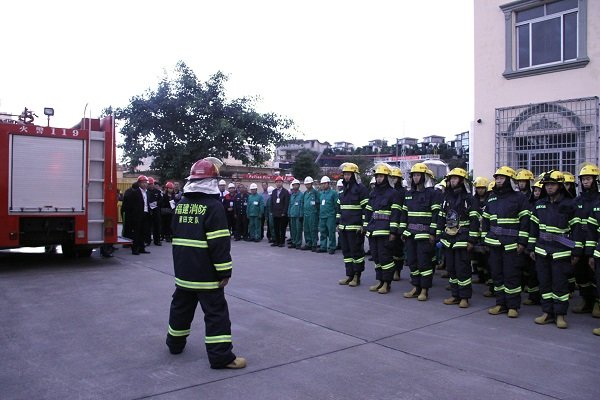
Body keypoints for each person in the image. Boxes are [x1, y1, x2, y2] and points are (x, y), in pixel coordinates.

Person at [165, 157, 246, 369]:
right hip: (206, 274)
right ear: (212, 182)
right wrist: (224, 272)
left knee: (180, 308)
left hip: (183, 271)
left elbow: (174, 233)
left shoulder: (181, 205)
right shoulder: (214, 207)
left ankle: (174, 344)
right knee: (216, 314)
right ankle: (221, 357)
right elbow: (219, 245)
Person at [529, 170, 580, 329]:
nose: (549, 187)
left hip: (561, 251)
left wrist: (576, 251)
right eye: (547, 185)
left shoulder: (569, 205)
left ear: (560, 186)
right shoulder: (540, 204)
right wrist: (531, 247)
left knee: (560, 285)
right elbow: (533, 228)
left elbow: (576, 230)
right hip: (542, 251)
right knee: (544, 283)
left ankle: (560, 315)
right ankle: (547, 313)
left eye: (552, 184)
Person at [481, 166, 530, 318]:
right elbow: (486, 221)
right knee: (497, 274)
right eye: (497, 178)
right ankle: (500, 304)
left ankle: (513, 306)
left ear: (509, 180)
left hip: (511, 244)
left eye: (501, 178)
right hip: (494, 244)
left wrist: (522, 242)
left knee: (512, 275)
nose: (498, 181)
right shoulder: (492, 198)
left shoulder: (519, 198)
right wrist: (485, 239)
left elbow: (525, 221)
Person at [438, 168, 480, 308]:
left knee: (463, 269)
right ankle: (455, 295)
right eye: (451, 179)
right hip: (448, 239)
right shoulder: (447, 198)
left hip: (463, 238)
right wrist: (440, 234)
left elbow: (475, 221)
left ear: (462, 181)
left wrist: (471, 240)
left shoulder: (469, 199)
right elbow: (441, 217)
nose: (453, 181)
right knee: (451, 269)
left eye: (456, 179)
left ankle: (464, 298)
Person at [400, 163, 439, 301]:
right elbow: (404, 214)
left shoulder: (432, 194)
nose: (416, 178)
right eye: (414, 175)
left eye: (418, 175)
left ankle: (424, 290)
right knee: (412, 262)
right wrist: (402, 231)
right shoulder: (409, 193)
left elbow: (436, 214)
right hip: (410, 234)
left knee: (424, 264)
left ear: (424, 177)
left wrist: (433, 233)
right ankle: (415, 287)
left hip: (424, 235)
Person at [364, 164, 400, 294]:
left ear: (386, 177)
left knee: (385, 258)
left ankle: (387, 283)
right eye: (377, 176)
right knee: (376, 258)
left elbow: (396, 214)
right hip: (373, 230)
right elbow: (368, 210)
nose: (379, 179)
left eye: (381, 176)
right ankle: (379, 281)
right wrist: (366, 225)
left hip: (385, 232)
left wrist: (393, 232)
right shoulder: (373, 193)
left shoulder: (393, 193)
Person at [572, 164, 600, 316]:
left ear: (595, 180)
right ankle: (586, 301)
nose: (585, 182)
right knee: (581, 274)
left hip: (595, 243)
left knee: (595, 275)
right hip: (579, 242)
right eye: (583, 179)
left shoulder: (599, 200)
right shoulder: (578, 200)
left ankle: (597, 303)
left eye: (588, 179)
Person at [337, 163, 369, 286]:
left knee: (357, 253)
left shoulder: (361, 189)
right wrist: (338, 223)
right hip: (344, 227)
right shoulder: (344, 190)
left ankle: (357, 276)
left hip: (355, 228)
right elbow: (339, 208)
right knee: (347, 253)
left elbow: (366, 209)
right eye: (345, 174)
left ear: (354, 175)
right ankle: (349, 275)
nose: (346, 177)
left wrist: (363, 225)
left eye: (349, 174)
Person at [471, 177, 493, 297]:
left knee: (488, 260)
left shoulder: (490, 201)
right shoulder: (474, 201)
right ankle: (480, 276)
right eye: (478, 188)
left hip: (486, 233)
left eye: (482, 188)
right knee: (477, 258)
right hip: (476, 233)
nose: (480, 190)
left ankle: (489, 281)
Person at [121, 175, 151, 255]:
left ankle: (142, 248)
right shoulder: (134, 192)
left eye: (146, 183)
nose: (145, 184)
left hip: (145, 213)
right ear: (139, 183)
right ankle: (135, 249)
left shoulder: (146, 192)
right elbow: (130, 206)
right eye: (143, 183)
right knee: (136, 233)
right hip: (137, 215)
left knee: (143, 232)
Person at [389, 167, 406, 281]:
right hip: (388, 223)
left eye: (395, 178)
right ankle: (390, 270)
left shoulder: (403, 192)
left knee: (397, 249)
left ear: (399, 179)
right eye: (392, 177)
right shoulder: (388, 191)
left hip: (399, 223)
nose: (393, 179)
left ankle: (397, 271)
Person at [317, 176, 339, 254]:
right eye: (322, 184)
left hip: (330, 216)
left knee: (331, 232)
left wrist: (337, 217)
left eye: (325, 183)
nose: (323, 185)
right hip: (322, 216)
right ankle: (323, 246)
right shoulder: (321, 194)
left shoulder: (333, 193)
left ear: (328, 184)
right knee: (322, 232)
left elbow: (337, 206)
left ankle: (332, 247)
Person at [270, 176, 290, 247]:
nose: (278, 183)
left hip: (282, 214)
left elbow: (286, 203)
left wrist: (284, 212)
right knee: (276, 228)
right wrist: (272, 211)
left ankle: (282, 242)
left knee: (282, 228)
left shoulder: (285, 192)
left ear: (282, 183)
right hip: (275, 213)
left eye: (280, 182)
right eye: (277, 182)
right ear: (275, 183)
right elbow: (272, 202)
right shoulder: (274, 191)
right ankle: (277, 241)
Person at [301, 177, 320, 251]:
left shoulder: (315, 193)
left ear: (311, 184)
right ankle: (308, 243)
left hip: (313, 214)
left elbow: (318, 203)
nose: (307, 185)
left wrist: (316, 213)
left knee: (313, 229)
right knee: (306, 229)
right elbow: (303, 203)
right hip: (306, 213)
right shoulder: (305, 193)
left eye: (308, 184)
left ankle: (314, 244)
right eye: (306, 184)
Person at [288, 179, 303, 249]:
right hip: (292, 215)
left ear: (299, 186)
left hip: (298, 216)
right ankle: (294, 242)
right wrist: (289, 213)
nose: (295, 186)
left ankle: (298, 243)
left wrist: (301, 215)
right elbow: (290, 205)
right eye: (293, 185)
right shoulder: (292, 195)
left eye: (296, 185)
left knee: (298, 230)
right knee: (293, 230)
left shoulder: (301, 195)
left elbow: (302, 206)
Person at [147, 177, 163, 246]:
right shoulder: (146, 192)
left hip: (156, 211)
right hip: (148, 211)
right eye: (149, 184)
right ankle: (147, 240)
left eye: (152, 184)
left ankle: (157, 240)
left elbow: (161, 200)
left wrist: (156, 203)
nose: (151, 185)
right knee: (148, 226)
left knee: (157, 226)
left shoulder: (157, 192)